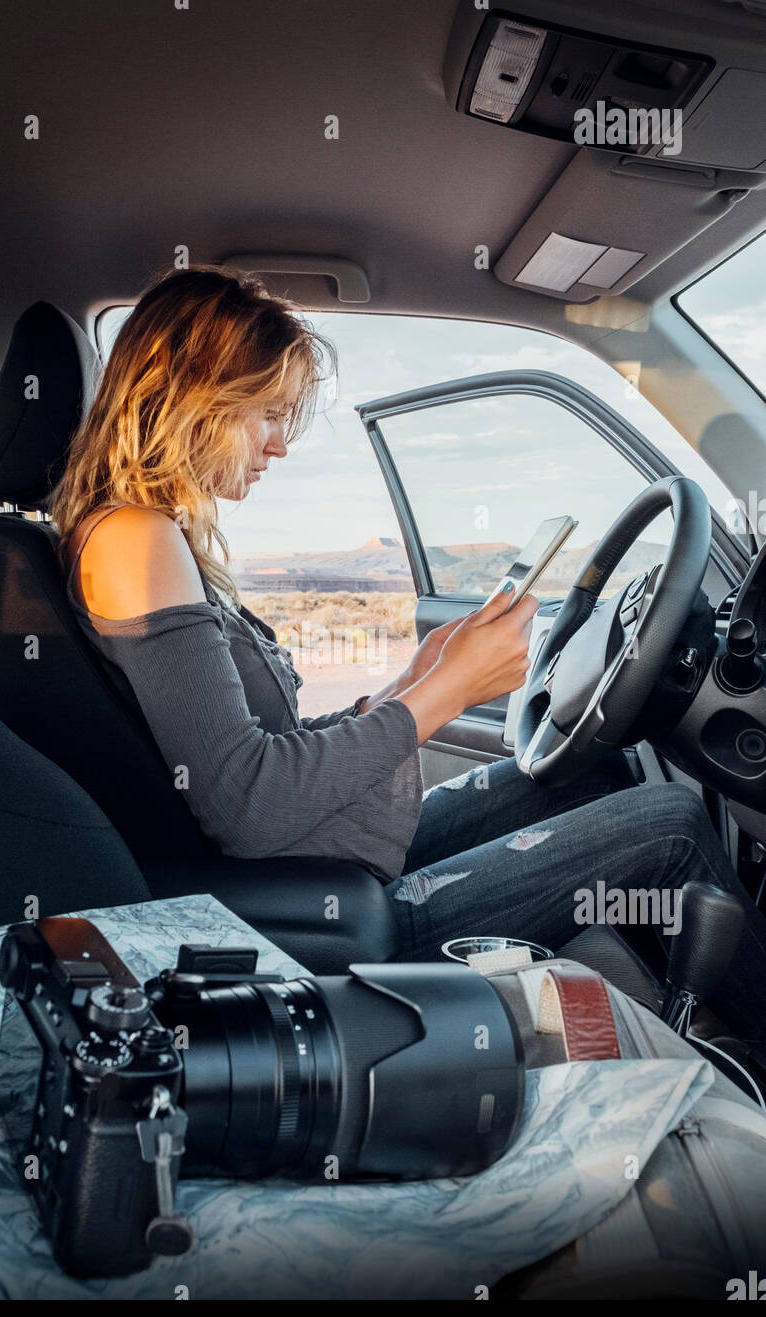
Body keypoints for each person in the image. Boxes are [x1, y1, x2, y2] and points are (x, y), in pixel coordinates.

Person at [49, 265, 766, 1038]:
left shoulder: (144, 536)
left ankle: (685, 1022)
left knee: (605, 769)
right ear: (188, 395)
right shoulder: (136, 539)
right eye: (264, 412)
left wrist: (412, 680)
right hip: (298, 915)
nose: (279, 444)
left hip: (302, 863)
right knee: (671, 822)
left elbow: (250, 750)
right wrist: (444, 695)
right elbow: (246, 806)